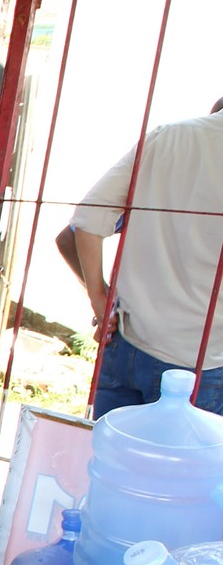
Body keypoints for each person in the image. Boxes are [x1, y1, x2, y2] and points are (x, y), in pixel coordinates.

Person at [70, 97, 223, 416]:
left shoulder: (168, 136)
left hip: (128, 345)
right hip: (202, 363)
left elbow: (87, 219)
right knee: (183, 467)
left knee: (113, 460)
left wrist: (100, 297)